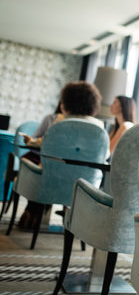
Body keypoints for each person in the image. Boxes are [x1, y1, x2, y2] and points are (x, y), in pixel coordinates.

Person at [18, 81, 104, 228]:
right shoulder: (99, 127)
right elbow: (103, 155)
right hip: (84, 185)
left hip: (52, 181)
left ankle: (31, 218)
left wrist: (32, 142)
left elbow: (46, 146)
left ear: (67, 101)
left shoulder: (60, 123)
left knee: (38, 167)